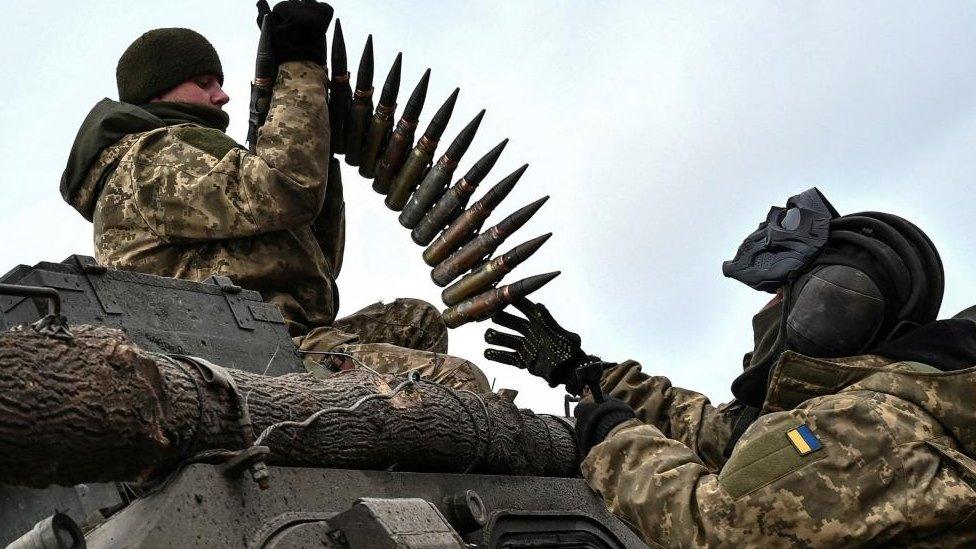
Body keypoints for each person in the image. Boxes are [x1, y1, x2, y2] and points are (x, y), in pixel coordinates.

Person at [485, 188, 976, 546]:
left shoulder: (872, 428)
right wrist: (585, 372)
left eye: (779, 294)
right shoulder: (869, 412)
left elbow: (716, 526)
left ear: (827, 311)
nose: (764, 312)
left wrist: (617, 442)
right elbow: (720, 432)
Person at [58, 1, 488, 392]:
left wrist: (321, 142)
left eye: (220, 83)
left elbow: (315, 257)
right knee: (457, 382)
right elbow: (286, 190)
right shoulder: (151, 157)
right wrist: (300, 68)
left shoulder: (190, 154)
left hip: (282, 335)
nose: (221, 96)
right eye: (204, 83)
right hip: (243, 361)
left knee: (416, 320)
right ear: (156, 92)